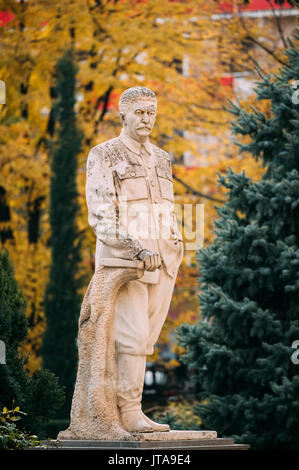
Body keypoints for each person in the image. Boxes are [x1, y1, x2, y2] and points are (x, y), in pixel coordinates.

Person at [86, 86, 184, 433]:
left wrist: (175, 240)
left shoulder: (161, 158)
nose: (146, 119)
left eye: (151, 113)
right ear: (123, 114)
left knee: (145, 340)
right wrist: (136, 249)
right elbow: (100, 214)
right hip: (126, 262)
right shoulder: (105, 154)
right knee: (131, 335)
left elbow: (165, 207)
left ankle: (132, 409)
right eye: (140, 112)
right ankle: (128, 412)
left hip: (163, 261)